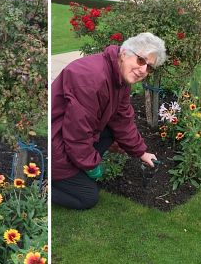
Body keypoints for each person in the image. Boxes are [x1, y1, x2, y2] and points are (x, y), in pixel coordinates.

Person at [51, 32, 166, 210]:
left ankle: (76, 170)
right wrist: (91, 166)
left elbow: (123, 121)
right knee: (88, 198)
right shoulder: (91, 78)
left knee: (113, 129)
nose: (144, 70)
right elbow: (77, 134)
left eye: (149, 67)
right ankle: (45, 182)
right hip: (56, 143)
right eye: (141, 60)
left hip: (69, 139)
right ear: (125, 53)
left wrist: (141, 153)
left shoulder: (119, 78)